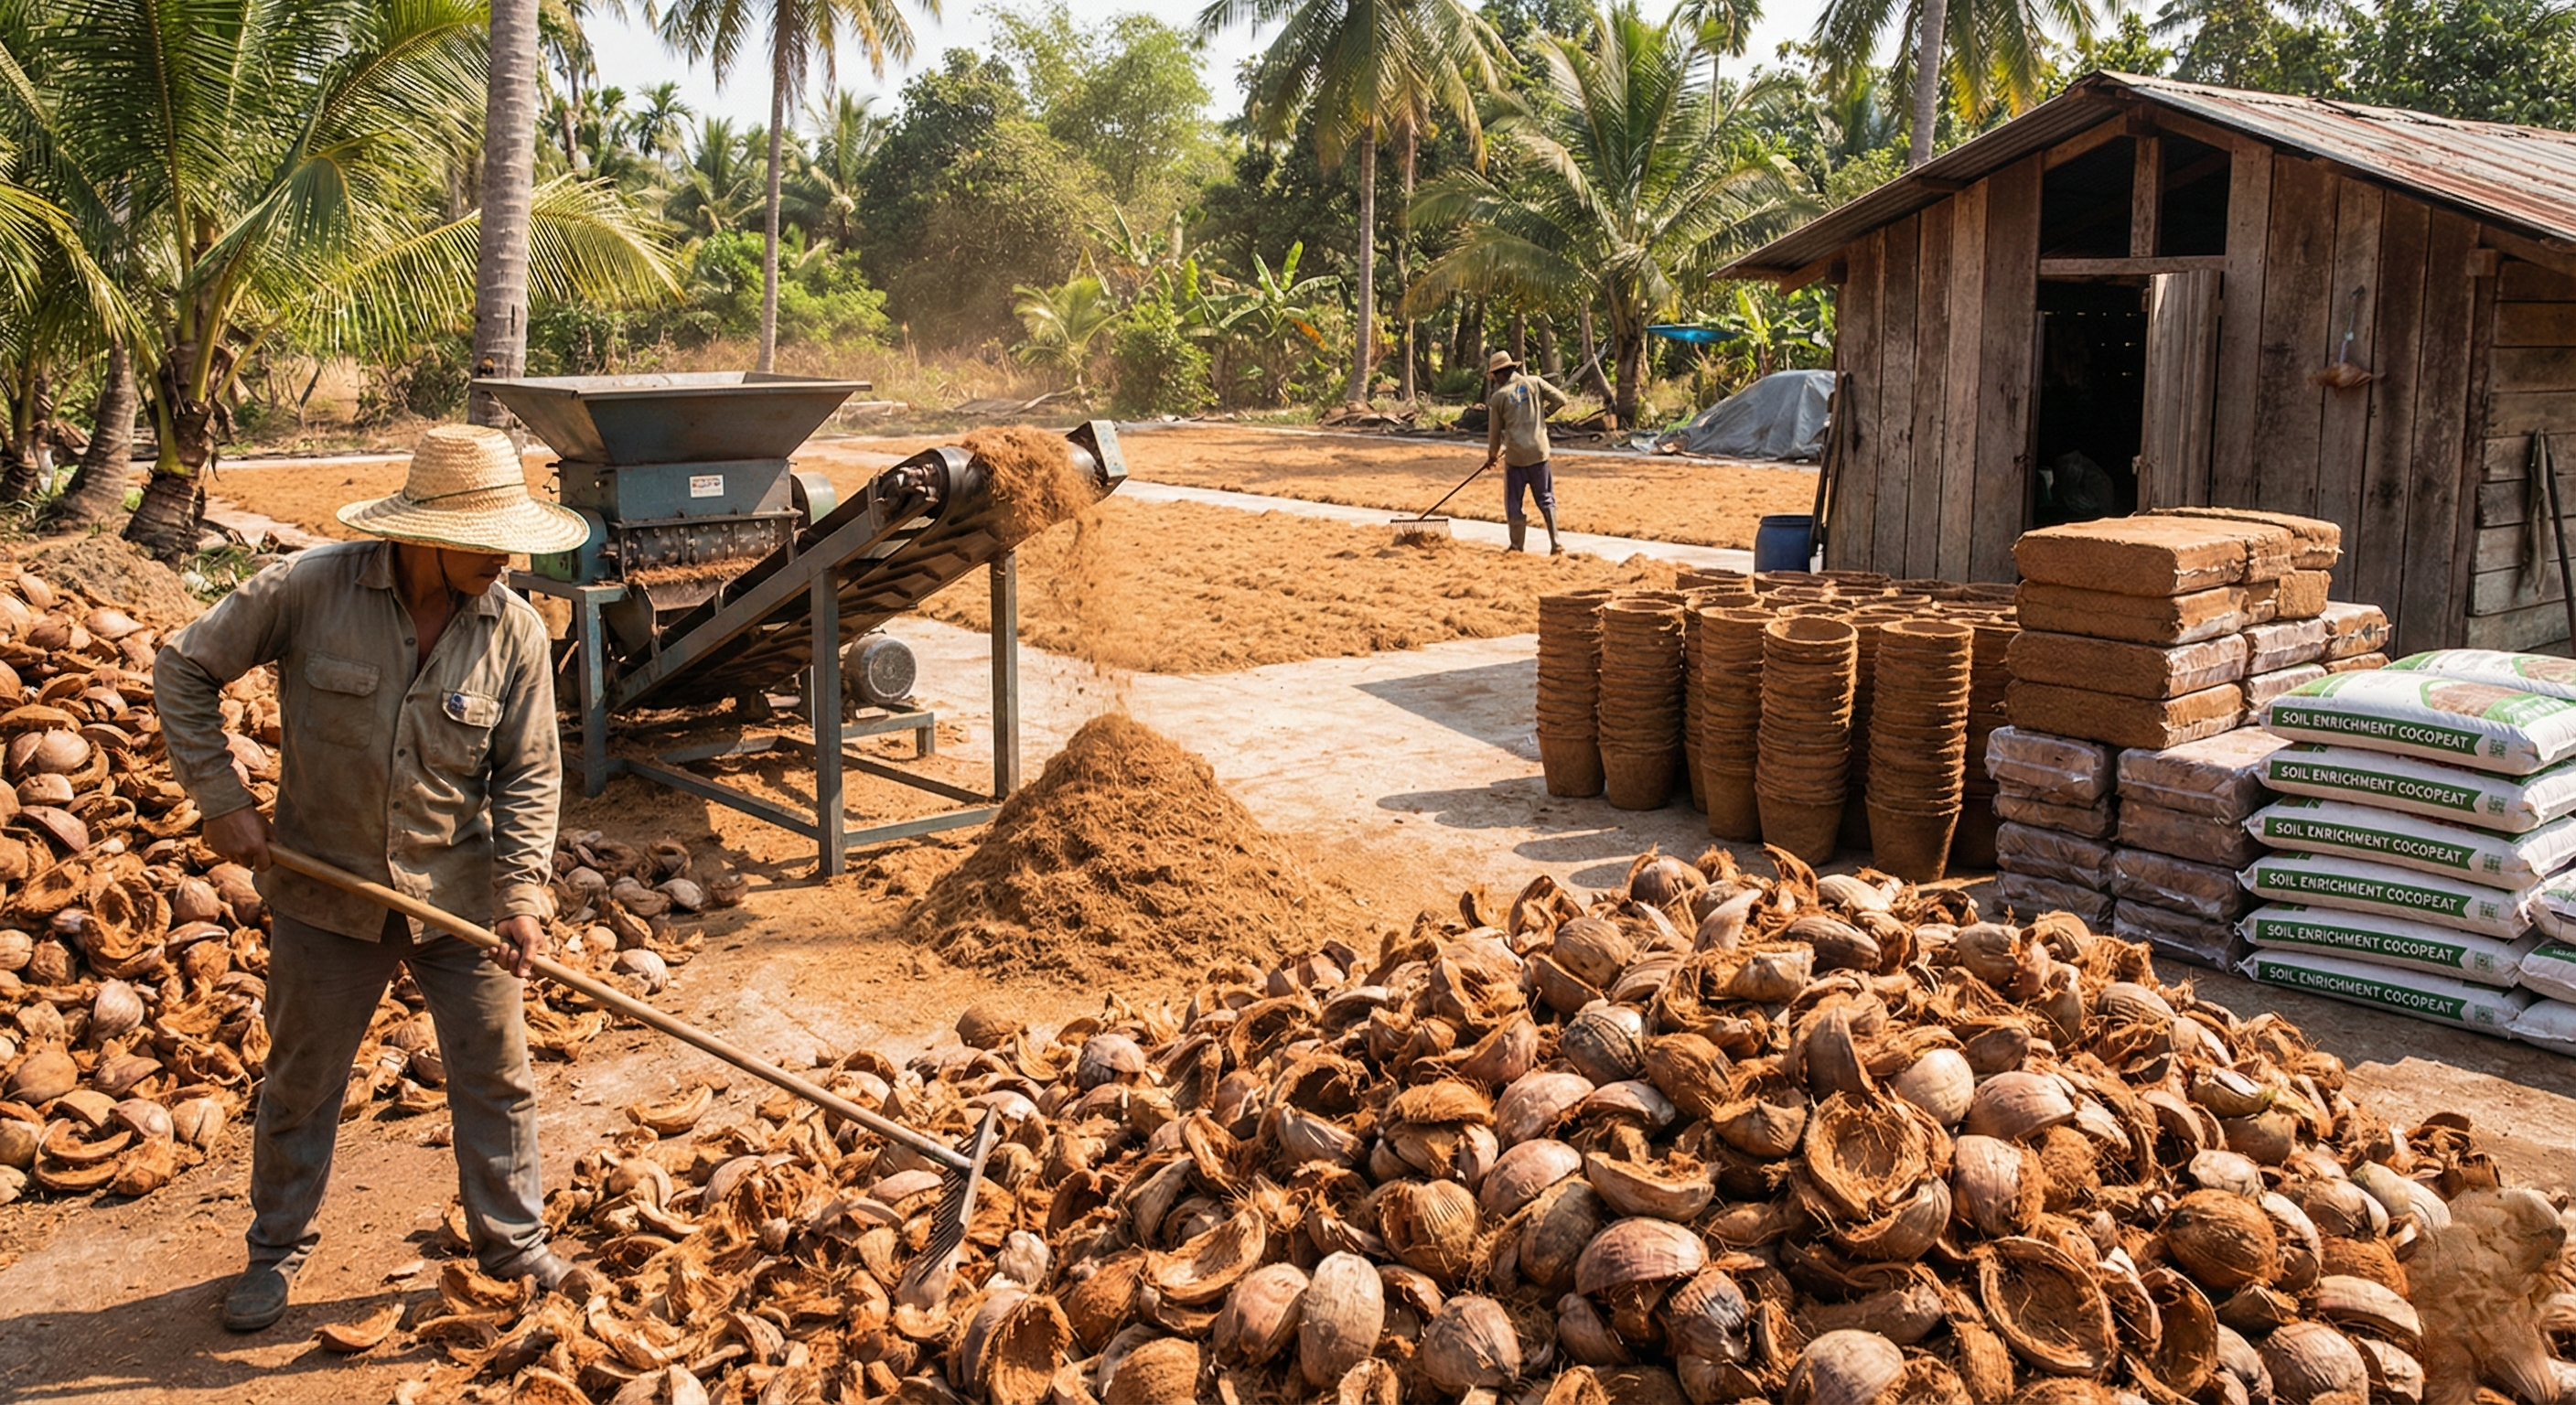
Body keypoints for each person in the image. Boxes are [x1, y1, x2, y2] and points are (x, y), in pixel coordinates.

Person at [155, 424, 600, 1333]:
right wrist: (219, 793)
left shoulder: (510, 629)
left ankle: (512, 1246)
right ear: (421, 529)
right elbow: (184, 667)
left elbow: (528, 773)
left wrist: (522, 891)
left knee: (495, 1076)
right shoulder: (311, 590)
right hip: (327, 890)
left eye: (513, 535)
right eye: (485, 539)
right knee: (303, 1079)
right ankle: (274, 1251)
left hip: (461, 897)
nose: (506, 557)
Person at [1482, 349, 1569, 554]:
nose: (1494, 381)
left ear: (1501, 373)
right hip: (1539, 453)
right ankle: (1556, 544)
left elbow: (1494, 434)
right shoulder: (1535, 383)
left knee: (1514, 501)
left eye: (1495, 376)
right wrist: (1543, 415)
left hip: (1516, 457)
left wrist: (1492, 457)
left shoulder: (1499, 397)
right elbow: (1561, 400)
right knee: (1546, 498)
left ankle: (1516, 546)